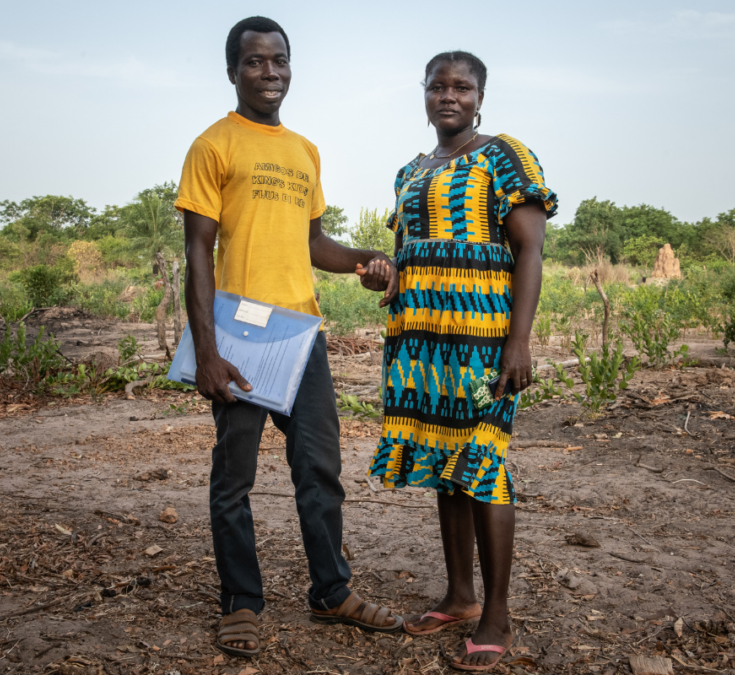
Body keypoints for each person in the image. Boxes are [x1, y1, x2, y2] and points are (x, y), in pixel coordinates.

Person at [175, 16, 404, 659]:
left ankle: (332, 591)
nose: (269, 72)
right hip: (240, 339)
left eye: (279, 60)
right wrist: (209, 353)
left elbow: (312, 243)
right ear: (232, 71)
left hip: (300, 335)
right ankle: (241, 602)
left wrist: (365, 259)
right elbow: (198, 253)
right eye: (254, 62)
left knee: (319, 470)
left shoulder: (304, 150)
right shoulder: (213, 145)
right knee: (235, 479)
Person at [367, 51, 557, 671]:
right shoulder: (410, 172)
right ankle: (459, 596)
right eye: (438, 86)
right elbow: (406, 255)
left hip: (481, 339)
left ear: (480, 96)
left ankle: (497, 613)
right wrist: (383, 277)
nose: (449, 96)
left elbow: (529, 250)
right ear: (423, 94)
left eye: (462, 87)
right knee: (446, 465)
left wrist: (518, 340)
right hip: (420, 341)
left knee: (482, 460)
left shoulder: (504, 156)